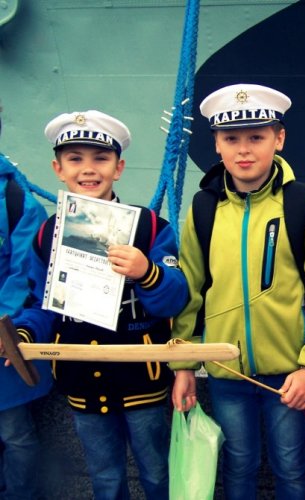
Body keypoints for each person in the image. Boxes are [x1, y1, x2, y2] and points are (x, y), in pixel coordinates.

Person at [169, 83, 305, 500]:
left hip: (289, 374)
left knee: (291, 467)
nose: (244, 150)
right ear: (216, 144)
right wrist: (184, 365)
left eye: (257, 137)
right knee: (238, 464)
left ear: (278, 139)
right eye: (231, 139)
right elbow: (191, 292)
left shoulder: (303, 203)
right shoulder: (203, 208)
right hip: (225, 373)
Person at [10, 110, 188, 500]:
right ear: (58, 169)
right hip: (81, 379)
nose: (88, 169)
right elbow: (42, 303)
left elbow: (177, 297)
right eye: (75, 159)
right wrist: (23, 333)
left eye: (101, 158)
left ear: (118, 168)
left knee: (157, 472)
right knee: (104, 477)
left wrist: (147, 272)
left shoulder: (149, 226)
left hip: (141, 378)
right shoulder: (47, 234)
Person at [0, 110, 51, 499]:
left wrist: (5, 324)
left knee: (14, 434)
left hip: (3, 343)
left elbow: (25, 275)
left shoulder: (17, 200)